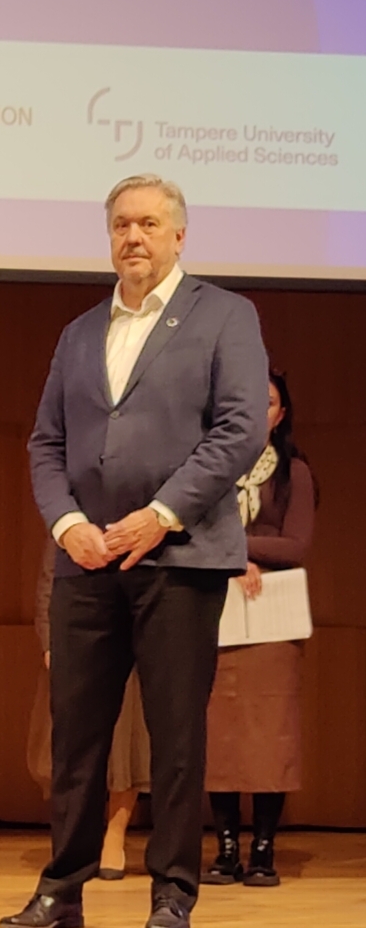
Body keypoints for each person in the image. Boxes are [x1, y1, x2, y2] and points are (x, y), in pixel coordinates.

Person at [2, 174, 266, 928]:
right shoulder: (80, 332)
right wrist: (66, 524)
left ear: (179, 235)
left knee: (176, 737)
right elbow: (46, 442)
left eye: (149, 223)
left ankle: (172, 893)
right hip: (86, 561)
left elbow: (241, 429)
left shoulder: (226, 315)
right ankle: (61, 891)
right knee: (77, 738)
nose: (133, 236)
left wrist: (161, 514)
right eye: (121, 224)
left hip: (180, 559)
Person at [202, 368, 317, 889]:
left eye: (267, 401)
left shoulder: (295, 473)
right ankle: (226, 847)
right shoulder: (209, 468)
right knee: (218, 732)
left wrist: (238, 550)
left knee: (271, 733)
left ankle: (264, 848)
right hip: (217, 609)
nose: (257, 408)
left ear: (280, 415)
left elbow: (295, 545)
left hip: (271, 615)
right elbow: (193, 531)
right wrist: (232, 559)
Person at [28, 538, 150, 879]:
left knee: (126, 748)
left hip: (131, 641)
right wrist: (50, 644)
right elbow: (49, 581)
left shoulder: (143, 522)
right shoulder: (73, 522)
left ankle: (115, 834)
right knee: (76, 748)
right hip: (79, 640)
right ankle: (78, 839)